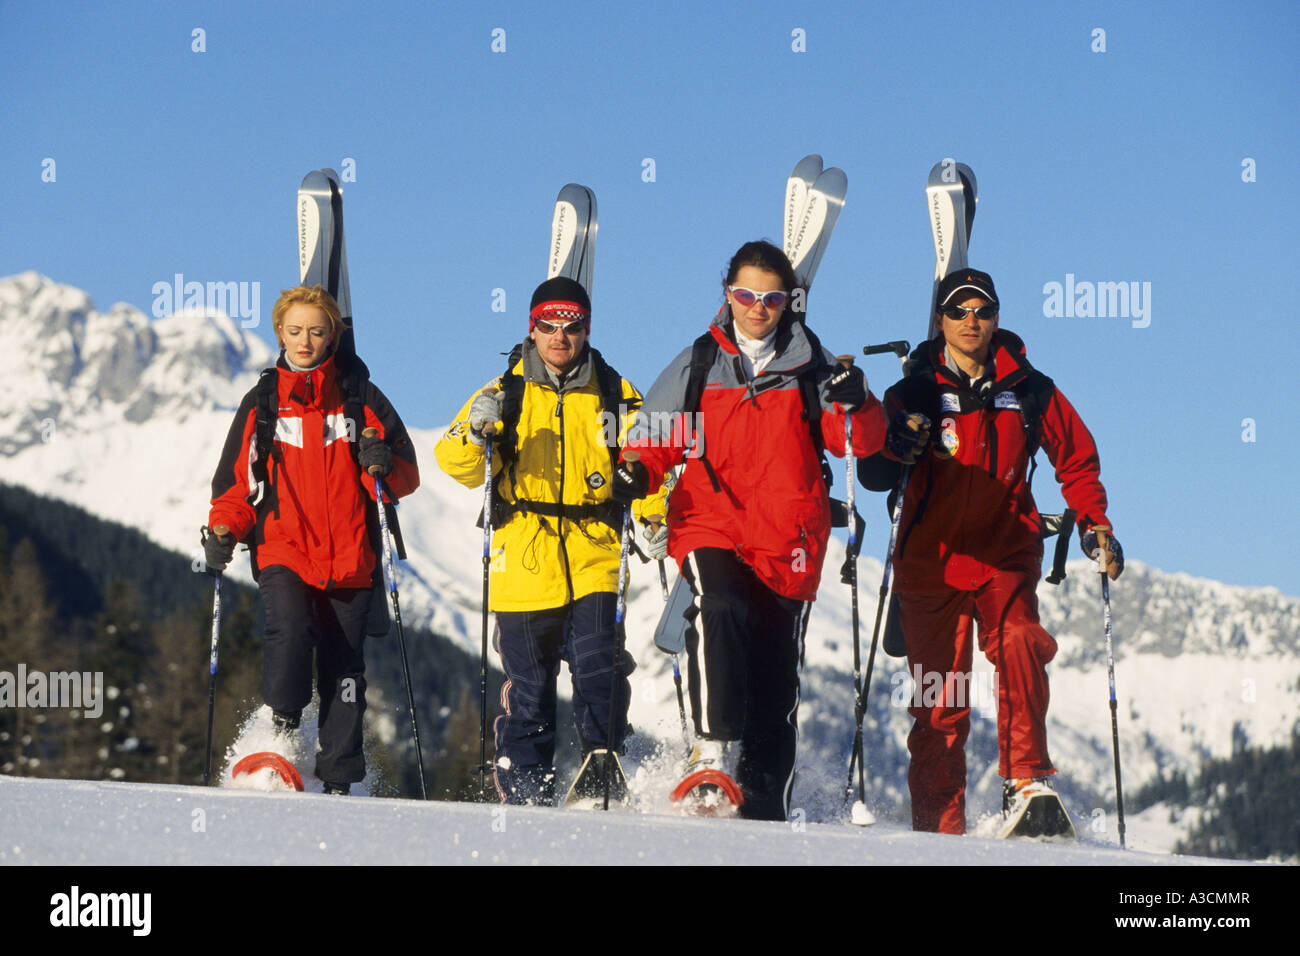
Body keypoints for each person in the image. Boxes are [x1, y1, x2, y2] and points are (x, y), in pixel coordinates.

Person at [615, 240, 887, 821]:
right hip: (710, 520)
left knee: (774, 685)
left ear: (788, 301)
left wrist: (860, 403)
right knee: (717, 606)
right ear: (727, 295)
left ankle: (766, 813)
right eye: (744, 295)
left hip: (787, 538)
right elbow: (651, 435)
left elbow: (860, 443)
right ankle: (710, 751)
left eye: (769, 297)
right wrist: (635, 471)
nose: (756, 307)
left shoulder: (814, 365)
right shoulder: (700, 362)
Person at [859, 267, 1123, 834]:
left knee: (1023, 641)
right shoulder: (914, 391)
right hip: (931, 562)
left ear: (997, 317)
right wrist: (895, 445)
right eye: (959, 311)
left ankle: (1025, 784)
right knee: (940, 704)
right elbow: (875, 472)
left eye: (982, 310)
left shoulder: (1030, 388)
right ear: (941, 321)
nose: (971, 320)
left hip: (1005, 553)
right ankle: (938, 832)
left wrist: (1094, 522)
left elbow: (1075, 458)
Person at [434, 277, 664, 806]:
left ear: (587, 329)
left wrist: (655, 516)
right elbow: (455, 463)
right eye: (548, 326)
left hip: (596, 553)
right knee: (530, 689)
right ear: (531, 329)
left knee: (599, 668)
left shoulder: (617, 393)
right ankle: (525, 789)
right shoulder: (502, 391)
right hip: (522, 557)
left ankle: (602, 766)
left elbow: (650, 460)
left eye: (572, 327)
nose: (560, 337)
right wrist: (476, 434)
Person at [203, 285, 420, 795]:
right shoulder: (263, 402)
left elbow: (404, 480)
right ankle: (280, 729)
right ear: (279, 332)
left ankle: (340, 782)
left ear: (333, 336)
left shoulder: (360, 397)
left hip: (350, 554)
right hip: (284, 548)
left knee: (346, 674)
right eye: (295, 330)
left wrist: (379, 463)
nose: (305, 341)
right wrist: (223, 529)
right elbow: (236, 483)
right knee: (290, 633)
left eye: (317, 331)